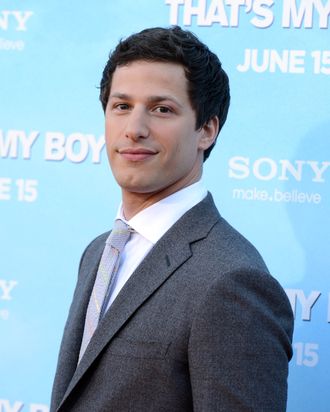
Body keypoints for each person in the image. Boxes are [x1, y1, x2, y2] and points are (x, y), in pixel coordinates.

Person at [50, 26, 293, 412]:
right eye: (122, 106)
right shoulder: (99, 251)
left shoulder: (231, 280)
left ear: (207, 130)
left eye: (162, 109)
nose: (134, 129)